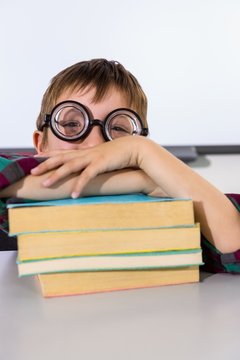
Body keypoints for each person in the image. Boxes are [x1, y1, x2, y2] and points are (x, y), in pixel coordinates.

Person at [0, 58, 240, 272]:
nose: (95, 143)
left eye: (117, 129)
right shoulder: (151, 184)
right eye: (72, 125)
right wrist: (142, 180)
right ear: (40, 144)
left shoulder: (165, 203)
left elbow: (233, 240)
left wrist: (141, 149)